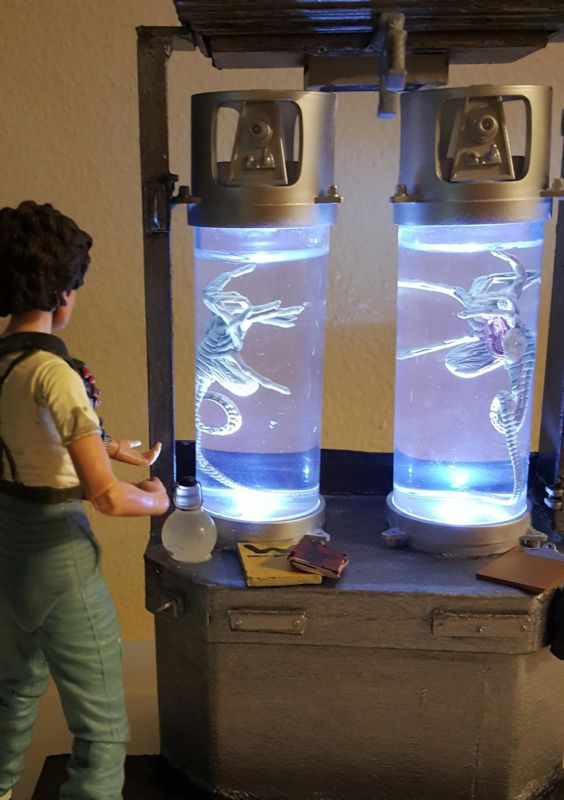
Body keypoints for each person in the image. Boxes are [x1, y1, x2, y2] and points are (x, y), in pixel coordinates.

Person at [0, 201, 170, 800]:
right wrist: (157, 502)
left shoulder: (6, 362)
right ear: (63, 293)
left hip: (7, 548)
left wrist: (112, 446)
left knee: (13, 689)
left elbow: (31, 435)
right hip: (58, 555)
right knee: (101, 723)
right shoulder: (55, 373)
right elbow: (107, 498)